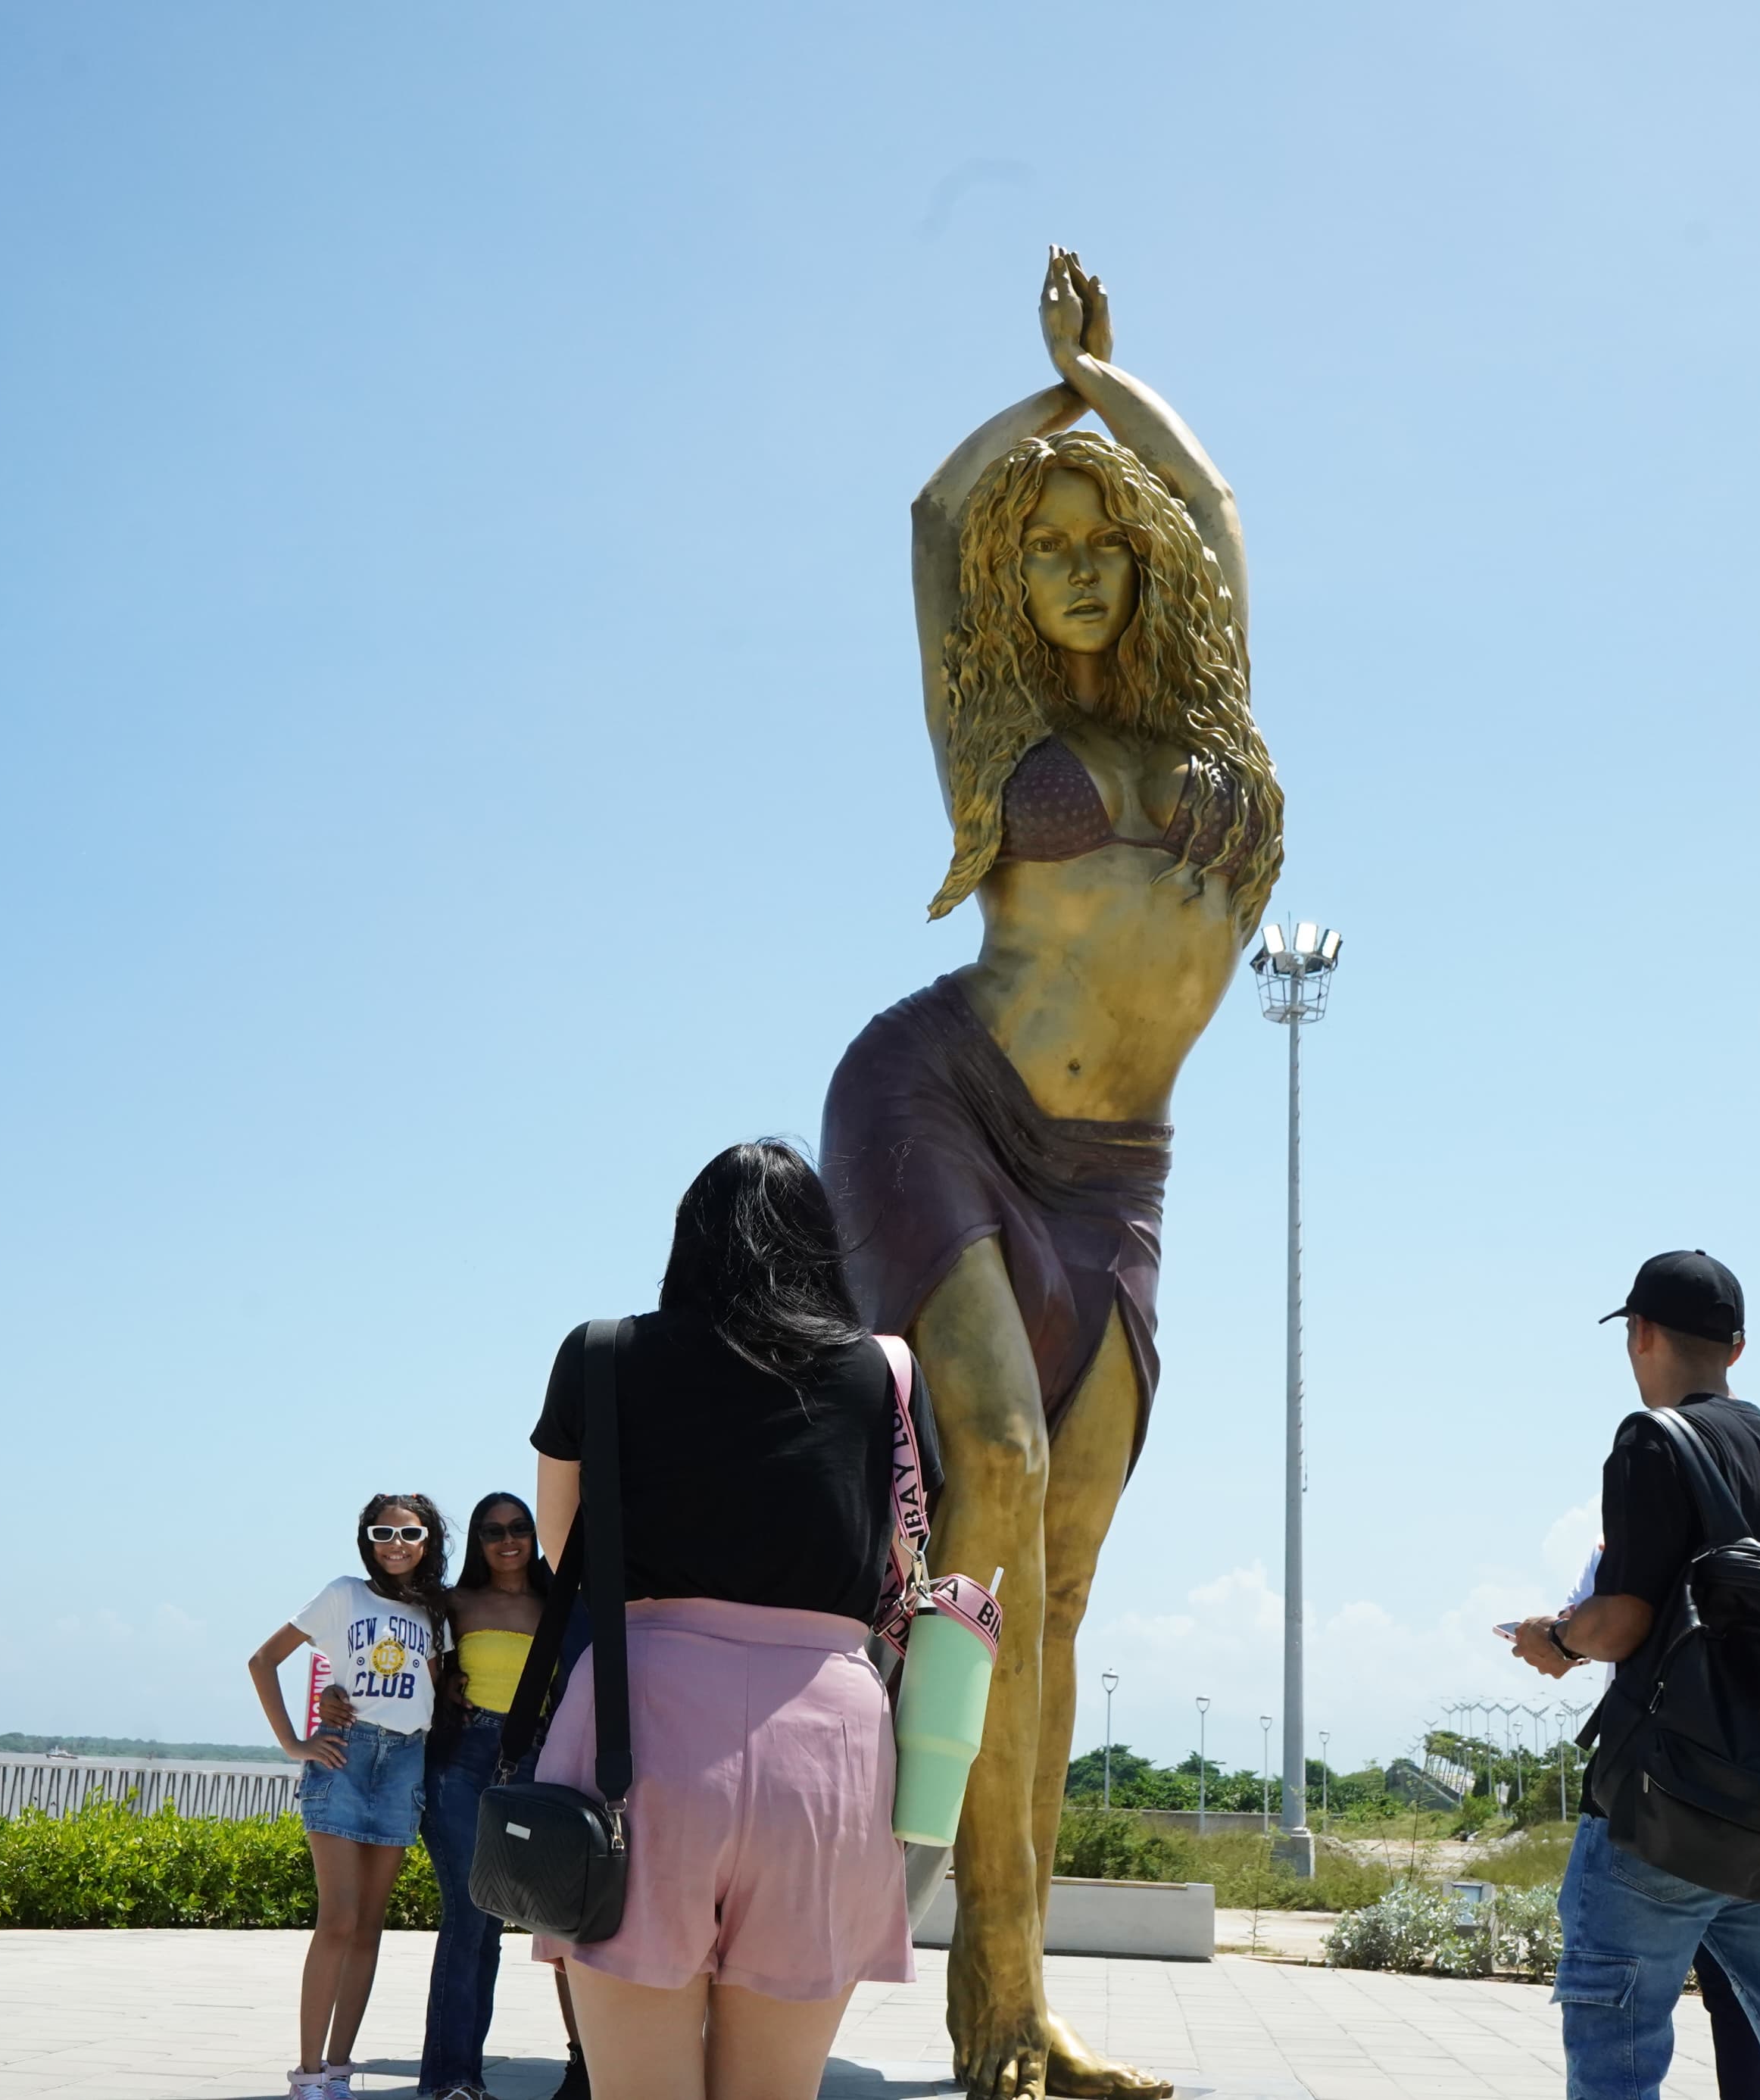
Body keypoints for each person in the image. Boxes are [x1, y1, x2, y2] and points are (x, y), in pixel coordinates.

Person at [818, 245, 1280, 2100]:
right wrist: (1047, 397)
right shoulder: (997, 738)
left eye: (1105, 540)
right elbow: (936, 514)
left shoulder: (1220, 739)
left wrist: (1124, 381)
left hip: (1117, 1180)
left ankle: (1004, 2007)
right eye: (1049, 547)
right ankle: (922, 1916)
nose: (1076, 565)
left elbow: (1228, 514)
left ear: (1149, 560)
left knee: (1059, 1594)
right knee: (988, 1473)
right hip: (936, 1100)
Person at [524, 1139, 913, 2100]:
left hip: (638, 1722)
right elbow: (904, 1561)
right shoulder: (884, 1371)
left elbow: (561, 1541)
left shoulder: (602, 1353)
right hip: (822, 1744)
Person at [1510, 1252, 1760, 2100]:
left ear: (1638, 1333)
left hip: (1660, 1807)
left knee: (1618, 2056)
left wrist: (1557, 1638)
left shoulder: (1651, 1439)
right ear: (1736, 1348)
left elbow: (1624, 1621)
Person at [247, 1493, 454, 2100]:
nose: (395, 1541)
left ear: (426, 1540)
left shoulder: (434, 1613)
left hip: (406, 1762)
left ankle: (338, 2070)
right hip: (344, 1755)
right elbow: (264, 1660)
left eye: (408, 1531)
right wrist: (294, 1742)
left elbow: (435, 1695)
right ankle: (306, 2074)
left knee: (369, 1925)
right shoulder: (343, 1593)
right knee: (336, 1918)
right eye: (382, 1530)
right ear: (367, 1538)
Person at [1551, 1539, 1760, 2100]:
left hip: (1654, 1791)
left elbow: (1592, 1630)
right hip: (1759, 1793)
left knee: (1621, 2011)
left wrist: (1550, 1636)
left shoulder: (1621, 1545)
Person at [414, 1490, 567, 2100]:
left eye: (519, 1528)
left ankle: (464, 2077)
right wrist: (334, 1700)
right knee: (467, 1917)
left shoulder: (558, 1608)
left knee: (495, 1927)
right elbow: (392, 1657)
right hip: (461, 1761)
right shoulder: (454, 1604)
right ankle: (452, 2078)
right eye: (493, 1530)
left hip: (531, 1759)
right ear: (477, 1543)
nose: (508, 1539)